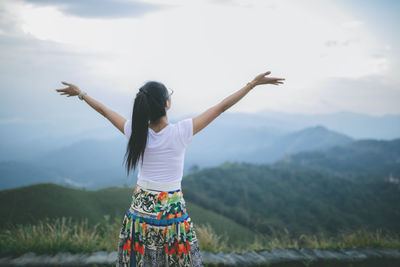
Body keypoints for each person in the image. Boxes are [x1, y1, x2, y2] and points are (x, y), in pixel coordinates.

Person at [55, 71, 285, 266]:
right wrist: (251, 85)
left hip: (139, 217)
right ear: (166, 103)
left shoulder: (135, 134)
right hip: (171, 216)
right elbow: (222, 107)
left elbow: (106, 112)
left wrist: (82, 94)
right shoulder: (181, 132)